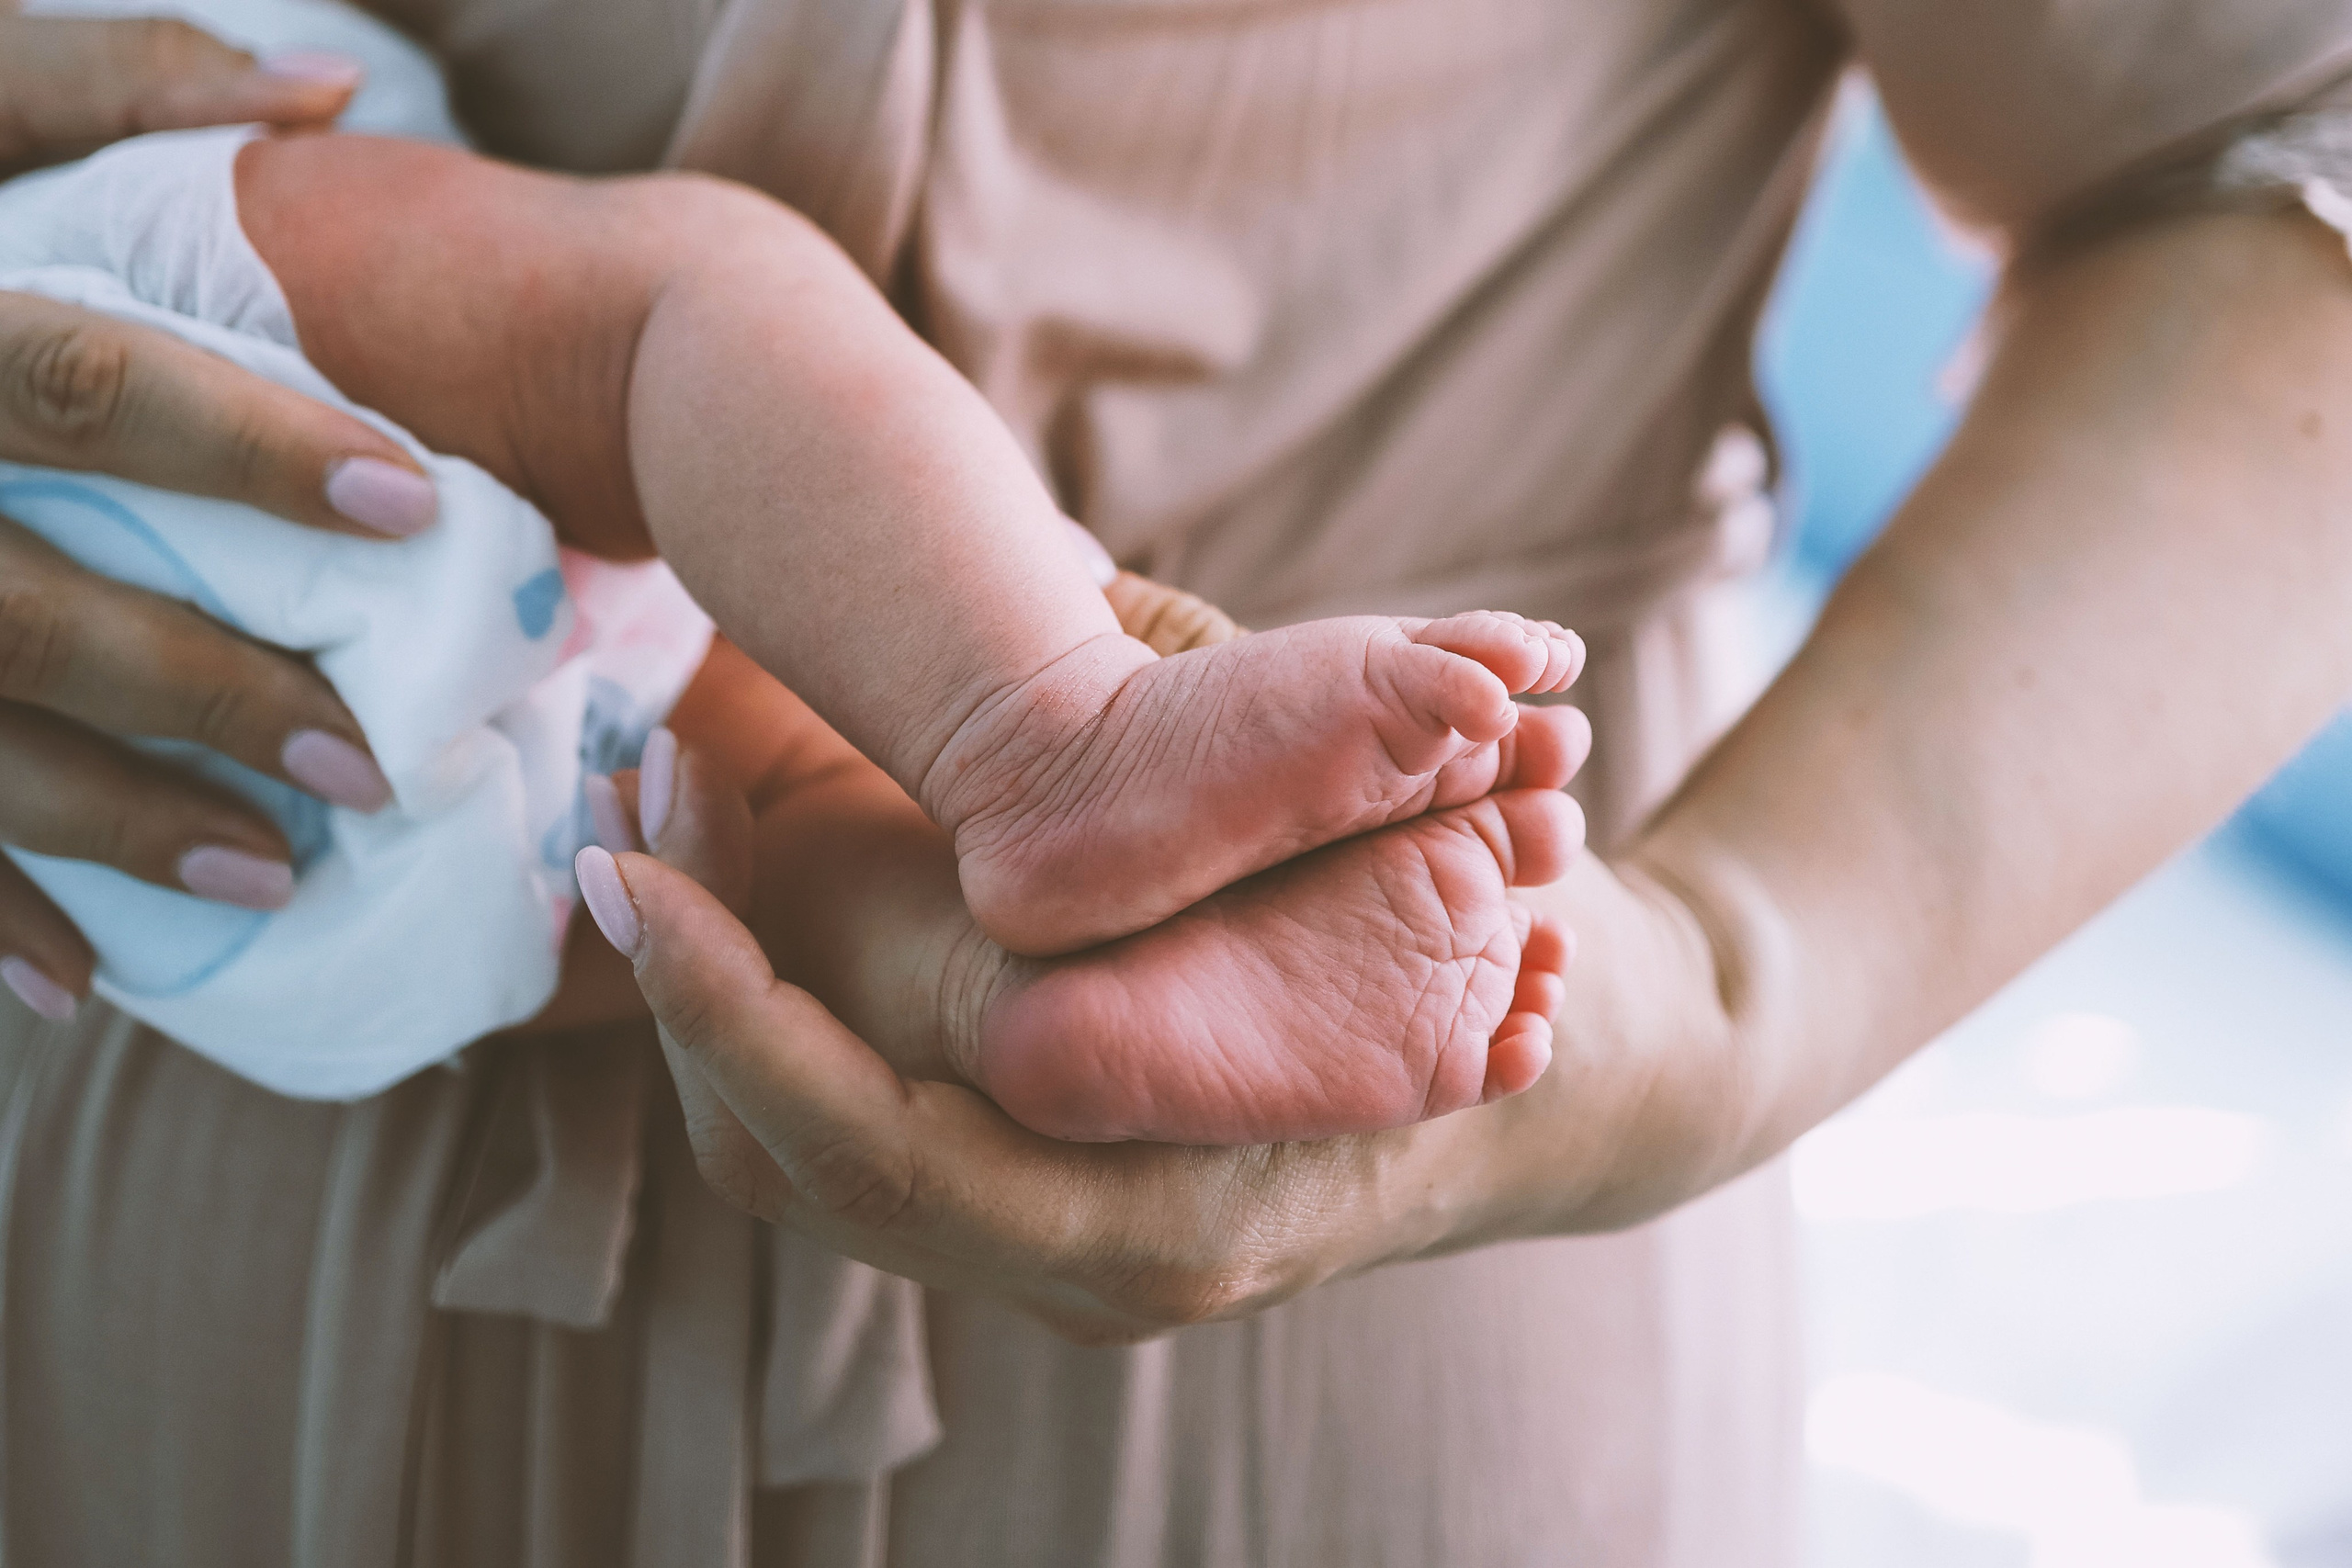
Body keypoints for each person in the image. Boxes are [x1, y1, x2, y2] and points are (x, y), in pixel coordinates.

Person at [9, 3, 2352, 1565]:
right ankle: (1058, 740)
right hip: (179, 538)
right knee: (686, 352)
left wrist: (1733, 974)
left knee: (706, 842)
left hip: (257, 912)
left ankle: (1008, 960)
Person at [3, 115, 1580, 1139]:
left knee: (758, 837)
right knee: (675, 319)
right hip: (109, 342)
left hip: (234, 933)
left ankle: (994, 1001)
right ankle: (1045, 732)